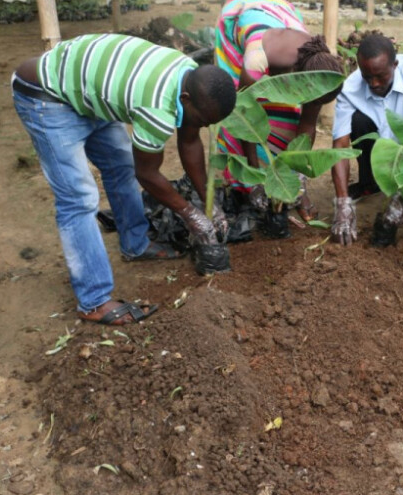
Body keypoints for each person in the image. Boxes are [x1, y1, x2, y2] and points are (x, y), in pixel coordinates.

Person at [13, 34, 236, 325]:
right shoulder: (157, 108)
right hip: (47, 95)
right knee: (78, 199)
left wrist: (211, 202)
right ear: (185, 100)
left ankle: (135, 244)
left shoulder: (188, 74)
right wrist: (191, 214)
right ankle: (93, 301)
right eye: (204, 120)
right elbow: (148, 174)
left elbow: (190, 140)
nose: (205, 126)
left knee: (120, 166)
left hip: (90, 92)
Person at [214, 0, 343, 224]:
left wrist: (299, 180)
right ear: (299, 78)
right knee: (236, 113)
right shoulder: (258, 58)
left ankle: (280, 184)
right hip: (242, 20)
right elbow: (245, 114)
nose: (312, 104)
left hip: (281, 13)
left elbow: (307, 124)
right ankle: (242, 185)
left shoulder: (320, 67)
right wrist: (254, 179)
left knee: (286, 121)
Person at [330, 34, 403, 245]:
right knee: (358, 120)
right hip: (376, 143)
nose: (374, 83)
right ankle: (369, 184)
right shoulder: (351, 88)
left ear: (395, 65)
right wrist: (342, 204)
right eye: (367, 76)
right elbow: (340, 146)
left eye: (380, 76)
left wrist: (399, 200)